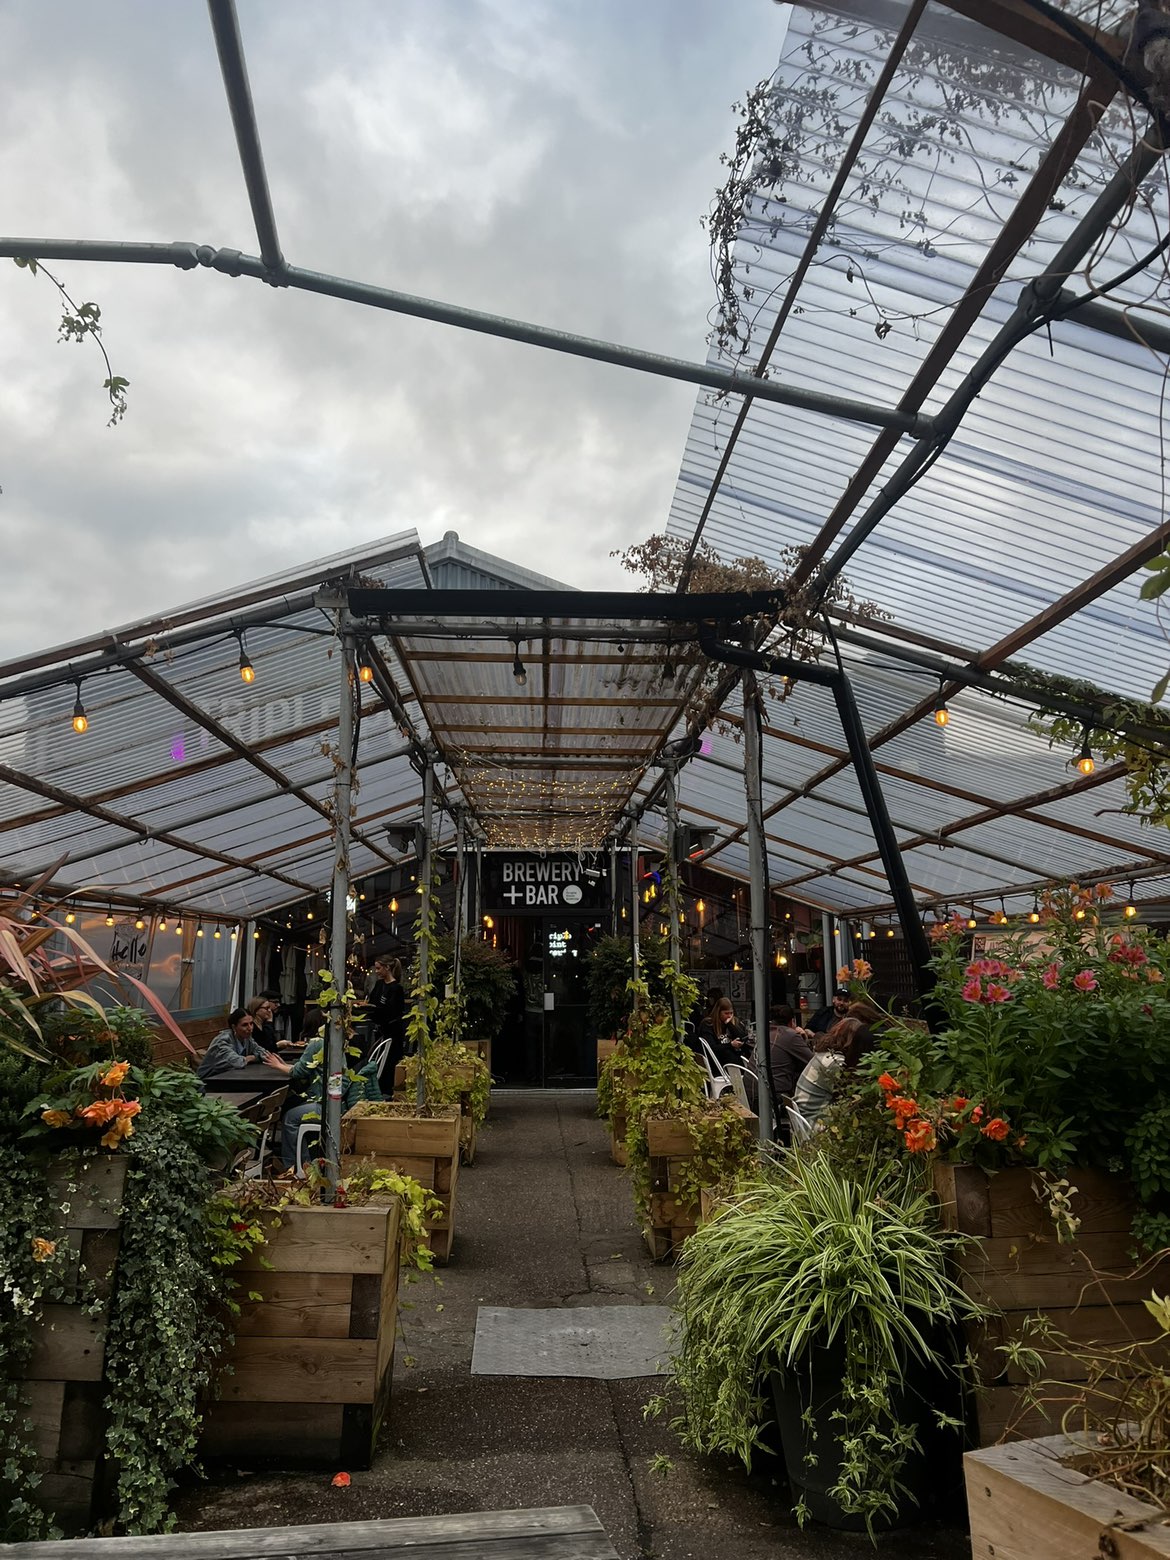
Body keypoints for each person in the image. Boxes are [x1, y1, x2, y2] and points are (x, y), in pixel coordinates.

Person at [280, 1025, 383, 1170]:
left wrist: (279, 1065)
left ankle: (297, 1167)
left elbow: (299, 1071)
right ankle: (305, 1163)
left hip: (329, 1106)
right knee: (293, 1108)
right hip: (339, 1102)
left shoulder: (318, 1043)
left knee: (289, 1117)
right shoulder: (337, 1045)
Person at [792, 1015, 875, 1126]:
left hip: (805, 1118)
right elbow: (850, 1094)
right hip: (815, 1124)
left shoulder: (823, 1055)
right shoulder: (834, 1063)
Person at [196, 1008, 292, 1083]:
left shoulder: (247, 1038)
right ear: (234, 1027)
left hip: (230, 1079)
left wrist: (253, 1057)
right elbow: (237, 1062)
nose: (250, 1028)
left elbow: (264, 1053)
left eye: (251, 1024)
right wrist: (249, 1058)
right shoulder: (222, 1041)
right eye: (245, 1025)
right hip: (207, 1083)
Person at [365, 956, 407, 1085]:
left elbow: (393, 1012)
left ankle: (387, 1090)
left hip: (392, 1033)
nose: (376, 971)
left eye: (378, 968)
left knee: (389, 1063)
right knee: (376, 1060)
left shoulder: (397, 989)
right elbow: (372, 1002)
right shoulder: (379, 984)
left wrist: (374, 1008)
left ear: (387, 967)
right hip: (380, 1029)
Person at [767, 1003, 813, 1102]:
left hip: (759, 1092)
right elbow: (813, 1062)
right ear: (792, 1021)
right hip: (774, 1096)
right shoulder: (790, 1035)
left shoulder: (766, 1032)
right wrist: (803, 1037)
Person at [697, 996, 752, 1069]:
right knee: (727, 1053)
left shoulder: (733, 1022)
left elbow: (743, 1038)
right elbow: (712, 1048)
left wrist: (730, 1025)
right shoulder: (708, 1024)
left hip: (734, 1059)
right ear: (718, 1012)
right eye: (726, 1013)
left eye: (731, 1013)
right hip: (718, 1061)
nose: (729, 1016)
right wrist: (730, 1045)